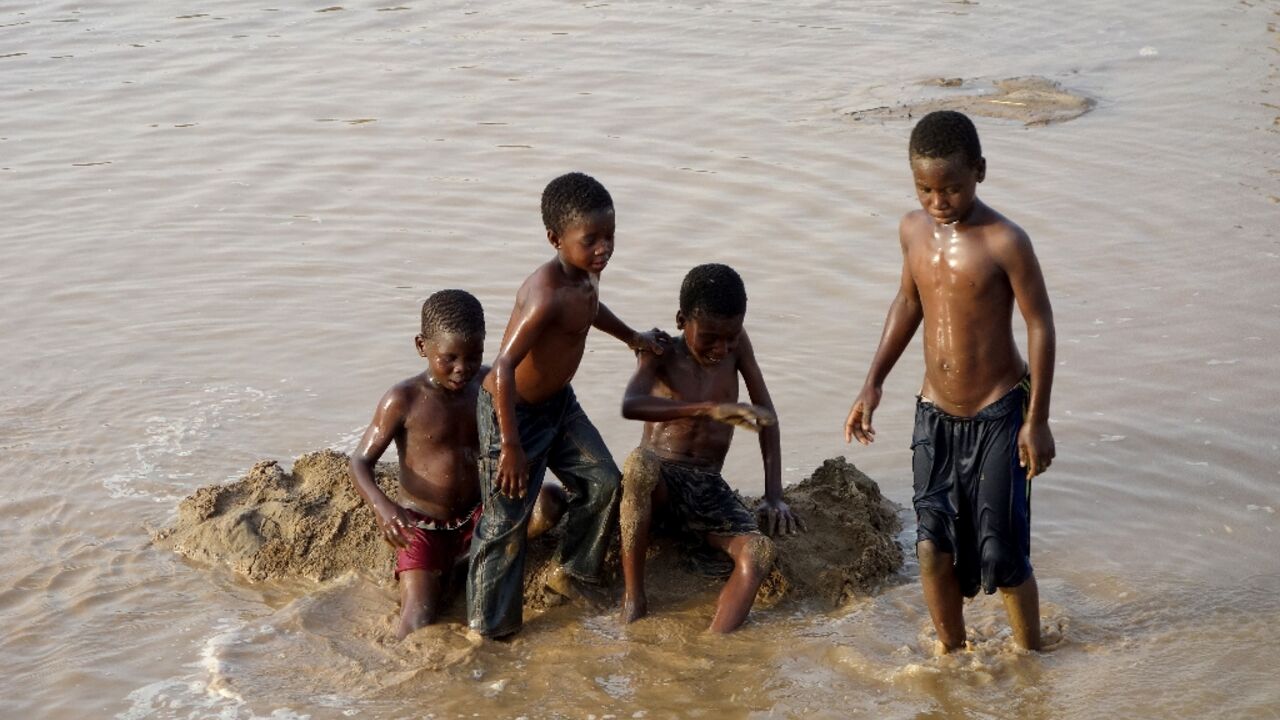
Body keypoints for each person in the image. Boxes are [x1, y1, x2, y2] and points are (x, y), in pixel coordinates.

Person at [843, 110, 1056, 653]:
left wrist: (1037, 421)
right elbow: (909, 301)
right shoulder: (912, 229)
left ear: (980, 171)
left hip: (998, 411)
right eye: (924, 189)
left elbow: (1040, 325)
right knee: (931, 547)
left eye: (951, 189)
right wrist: (873, 383)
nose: (937, 202)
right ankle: (952, 657)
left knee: (1001, 550)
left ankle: (1031, 658)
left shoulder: (1006, 241)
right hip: (934, 412)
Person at [467, 171, 667, 639]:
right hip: (511, 414)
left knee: (603, 482)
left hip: (561, 405)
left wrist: (633, 338)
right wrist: (511, 446)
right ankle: (485, 628)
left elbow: (592, 311)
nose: (604, 249)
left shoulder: (587, 276)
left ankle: (571, 572)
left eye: (610, 236)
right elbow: (501, 372)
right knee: (505, 520)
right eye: (591, 240)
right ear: (555, 239)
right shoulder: (545, 293)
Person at [349, 290, 563, 639]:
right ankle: (445, 571)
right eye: (449, 358)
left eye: (473, 355)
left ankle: (467, 559)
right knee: (417, 622)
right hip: (422, 528)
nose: (462, 368)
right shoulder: (403, 399)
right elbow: (360, 462)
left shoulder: (489, 383)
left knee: (550, 503)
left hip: (479, 515)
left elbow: (532, 420)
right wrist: (383, 508)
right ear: (422, 346)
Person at [617, 263, 804, 633]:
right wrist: (703, 408)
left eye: (730, 337)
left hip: (706, 486)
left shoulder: (736, 346)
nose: (721, 348)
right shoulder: (660, 351)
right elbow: (631, 404)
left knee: (759, 551)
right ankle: (633, 600)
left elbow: (765, 414)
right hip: (660, 486)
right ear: (681, 320)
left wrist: (773, 494)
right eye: (710, 338)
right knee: (639, 465)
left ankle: (715, 644)